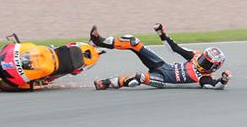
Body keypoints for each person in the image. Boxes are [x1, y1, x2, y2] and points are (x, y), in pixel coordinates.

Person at [90, 24, 232, 90]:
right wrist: (162, 34)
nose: (202, 62)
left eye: (206, 62)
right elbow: (175, 48)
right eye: (204, 58)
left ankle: (106, 83)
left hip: (163, 80)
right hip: (161, 65)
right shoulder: (195, 56)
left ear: (213, 67)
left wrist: (223, 80)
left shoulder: (205, 78)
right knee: (133, 42)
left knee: (139, 78)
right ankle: (99, 41)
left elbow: (215, 86)